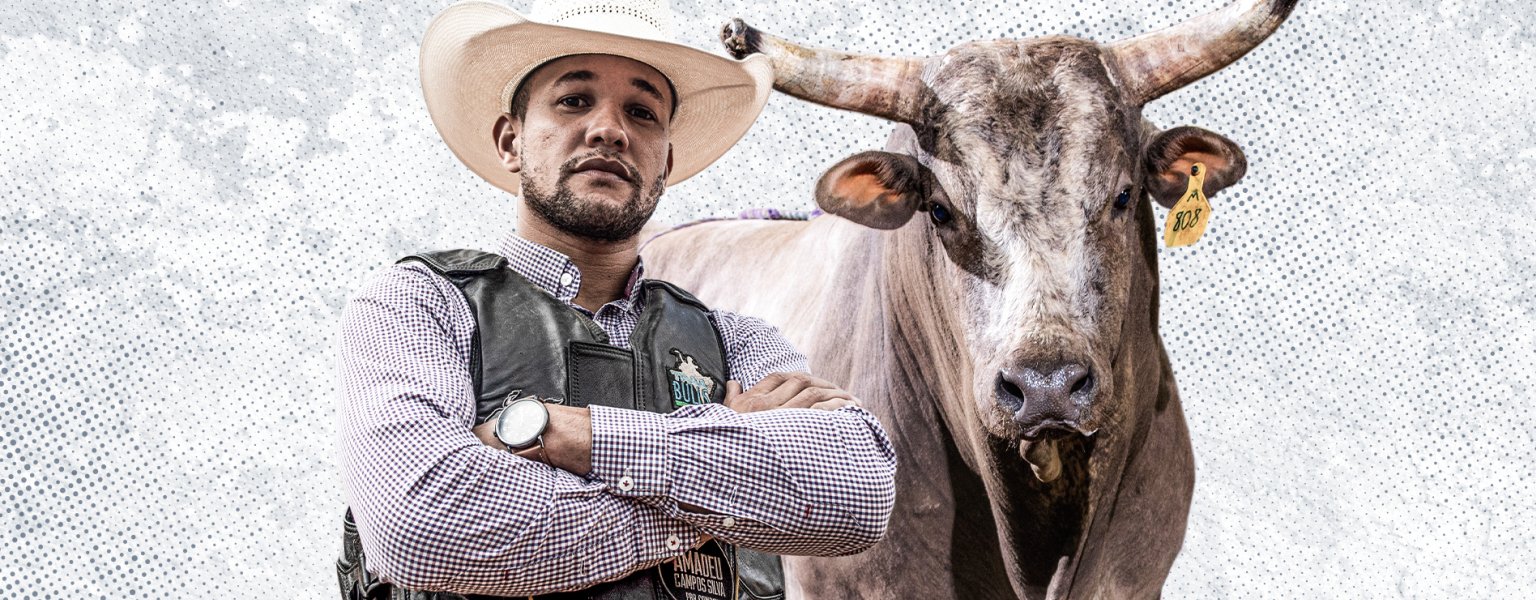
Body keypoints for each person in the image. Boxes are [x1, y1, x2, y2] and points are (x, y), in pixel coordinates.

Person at [334, 1, 899, 599]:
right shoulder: (418, 304)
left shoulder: (738, 340)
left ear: (666, 161)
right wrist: (730, 450)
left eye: (642, 112)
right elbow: (421, 528)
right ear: (511, 141)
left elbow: (857, 492)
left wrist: (549, 431)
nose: (610, 129)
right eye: (574, 101)